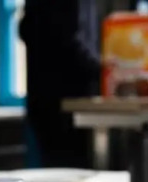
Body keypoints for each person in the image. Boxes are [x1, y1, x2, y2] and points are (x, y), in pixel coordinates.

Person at [19, 0, 101, 169]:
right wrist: (105, 68)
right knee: (67, 168)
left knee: (59, 167)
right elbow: (68, 39)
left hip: (49, 96)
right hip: (64, 99)